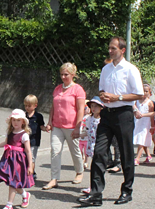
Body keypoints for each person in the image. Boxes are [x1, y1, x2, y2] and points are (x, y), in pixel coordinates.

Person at [77, 36, 144, 206]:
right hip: (107, 113)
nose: (110, 51)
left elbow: (139, 94)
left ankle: (127, 191)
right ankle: (95, 193)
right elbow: (101, 89)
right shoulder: (106, 69)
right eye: (109, 48)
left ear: (122, 50)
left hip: (124, 114)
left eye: (113, 48)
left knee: (126, 153)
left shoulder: (130, 69)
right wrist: (104, 96)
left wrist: (117, 97)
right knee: (99, 152)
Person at [43, 62, 85, 190]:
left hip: (72, 126)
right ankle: (54, 178)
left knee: (75, 151)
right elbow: (53, 107)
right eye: (61, 74)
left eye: (66, 74)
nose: (63, 77)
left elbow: (80, 109)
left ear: (72, 75)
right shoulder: (57, 89)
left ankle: (79, 172)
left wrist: (78, 126)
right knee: (55, 151)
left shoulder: (78, 89)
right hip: (57, 126)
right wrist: (50, 122)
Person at [0, 109, 35, 209]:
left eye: (18, 120)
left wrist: (30, 166)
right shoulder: (10, 133)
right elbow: (6, 143)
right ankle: (25, 195)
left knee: (13, 182)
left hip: (18, 161)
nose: (15, 122)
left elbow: (28, 151)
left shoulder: (24, 135)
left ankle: (9, 205)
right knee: (13, 181)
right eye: (14, 120)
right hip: (9, 159)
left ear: (23, 122)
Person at [80, 97, 104, 194]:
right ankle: (93, 186)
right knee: (93, 167)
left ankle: (94, 186)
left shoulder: (102, 120)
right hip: (90, 144)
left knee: (97, 167)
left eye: (96, 106)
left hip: (99, 145)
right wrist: (79, 135)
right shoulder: (89, 118)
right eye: (92, 106)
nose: (93, 108)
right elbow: (88, 131)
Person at [133, 84, 155, 165]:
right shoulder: (136, 101)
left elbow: (152, 115)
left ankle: (137, 158)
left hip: (145, 124)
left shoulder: (150, 103)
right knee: (142, 139)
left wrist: (152, 126)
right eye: (143, 91)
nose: (144, 93)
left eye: (146, 91)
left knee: (141, 140)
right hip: (137, 123)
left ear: (149, 93)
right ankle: (148, 155)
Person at [24, 95, 45, 180]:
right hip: (24, 141)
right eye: (25, 106)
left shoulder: (38, 116)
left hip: (34, 141)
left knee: (31, 158)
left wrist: (46, 128)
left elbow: (41, 126)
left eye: (29, 106)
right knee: (24, 157)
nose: (27, 108)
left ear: (35, 106)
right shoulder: (23, 115)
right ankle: (30, 171)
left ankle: (30, 175)